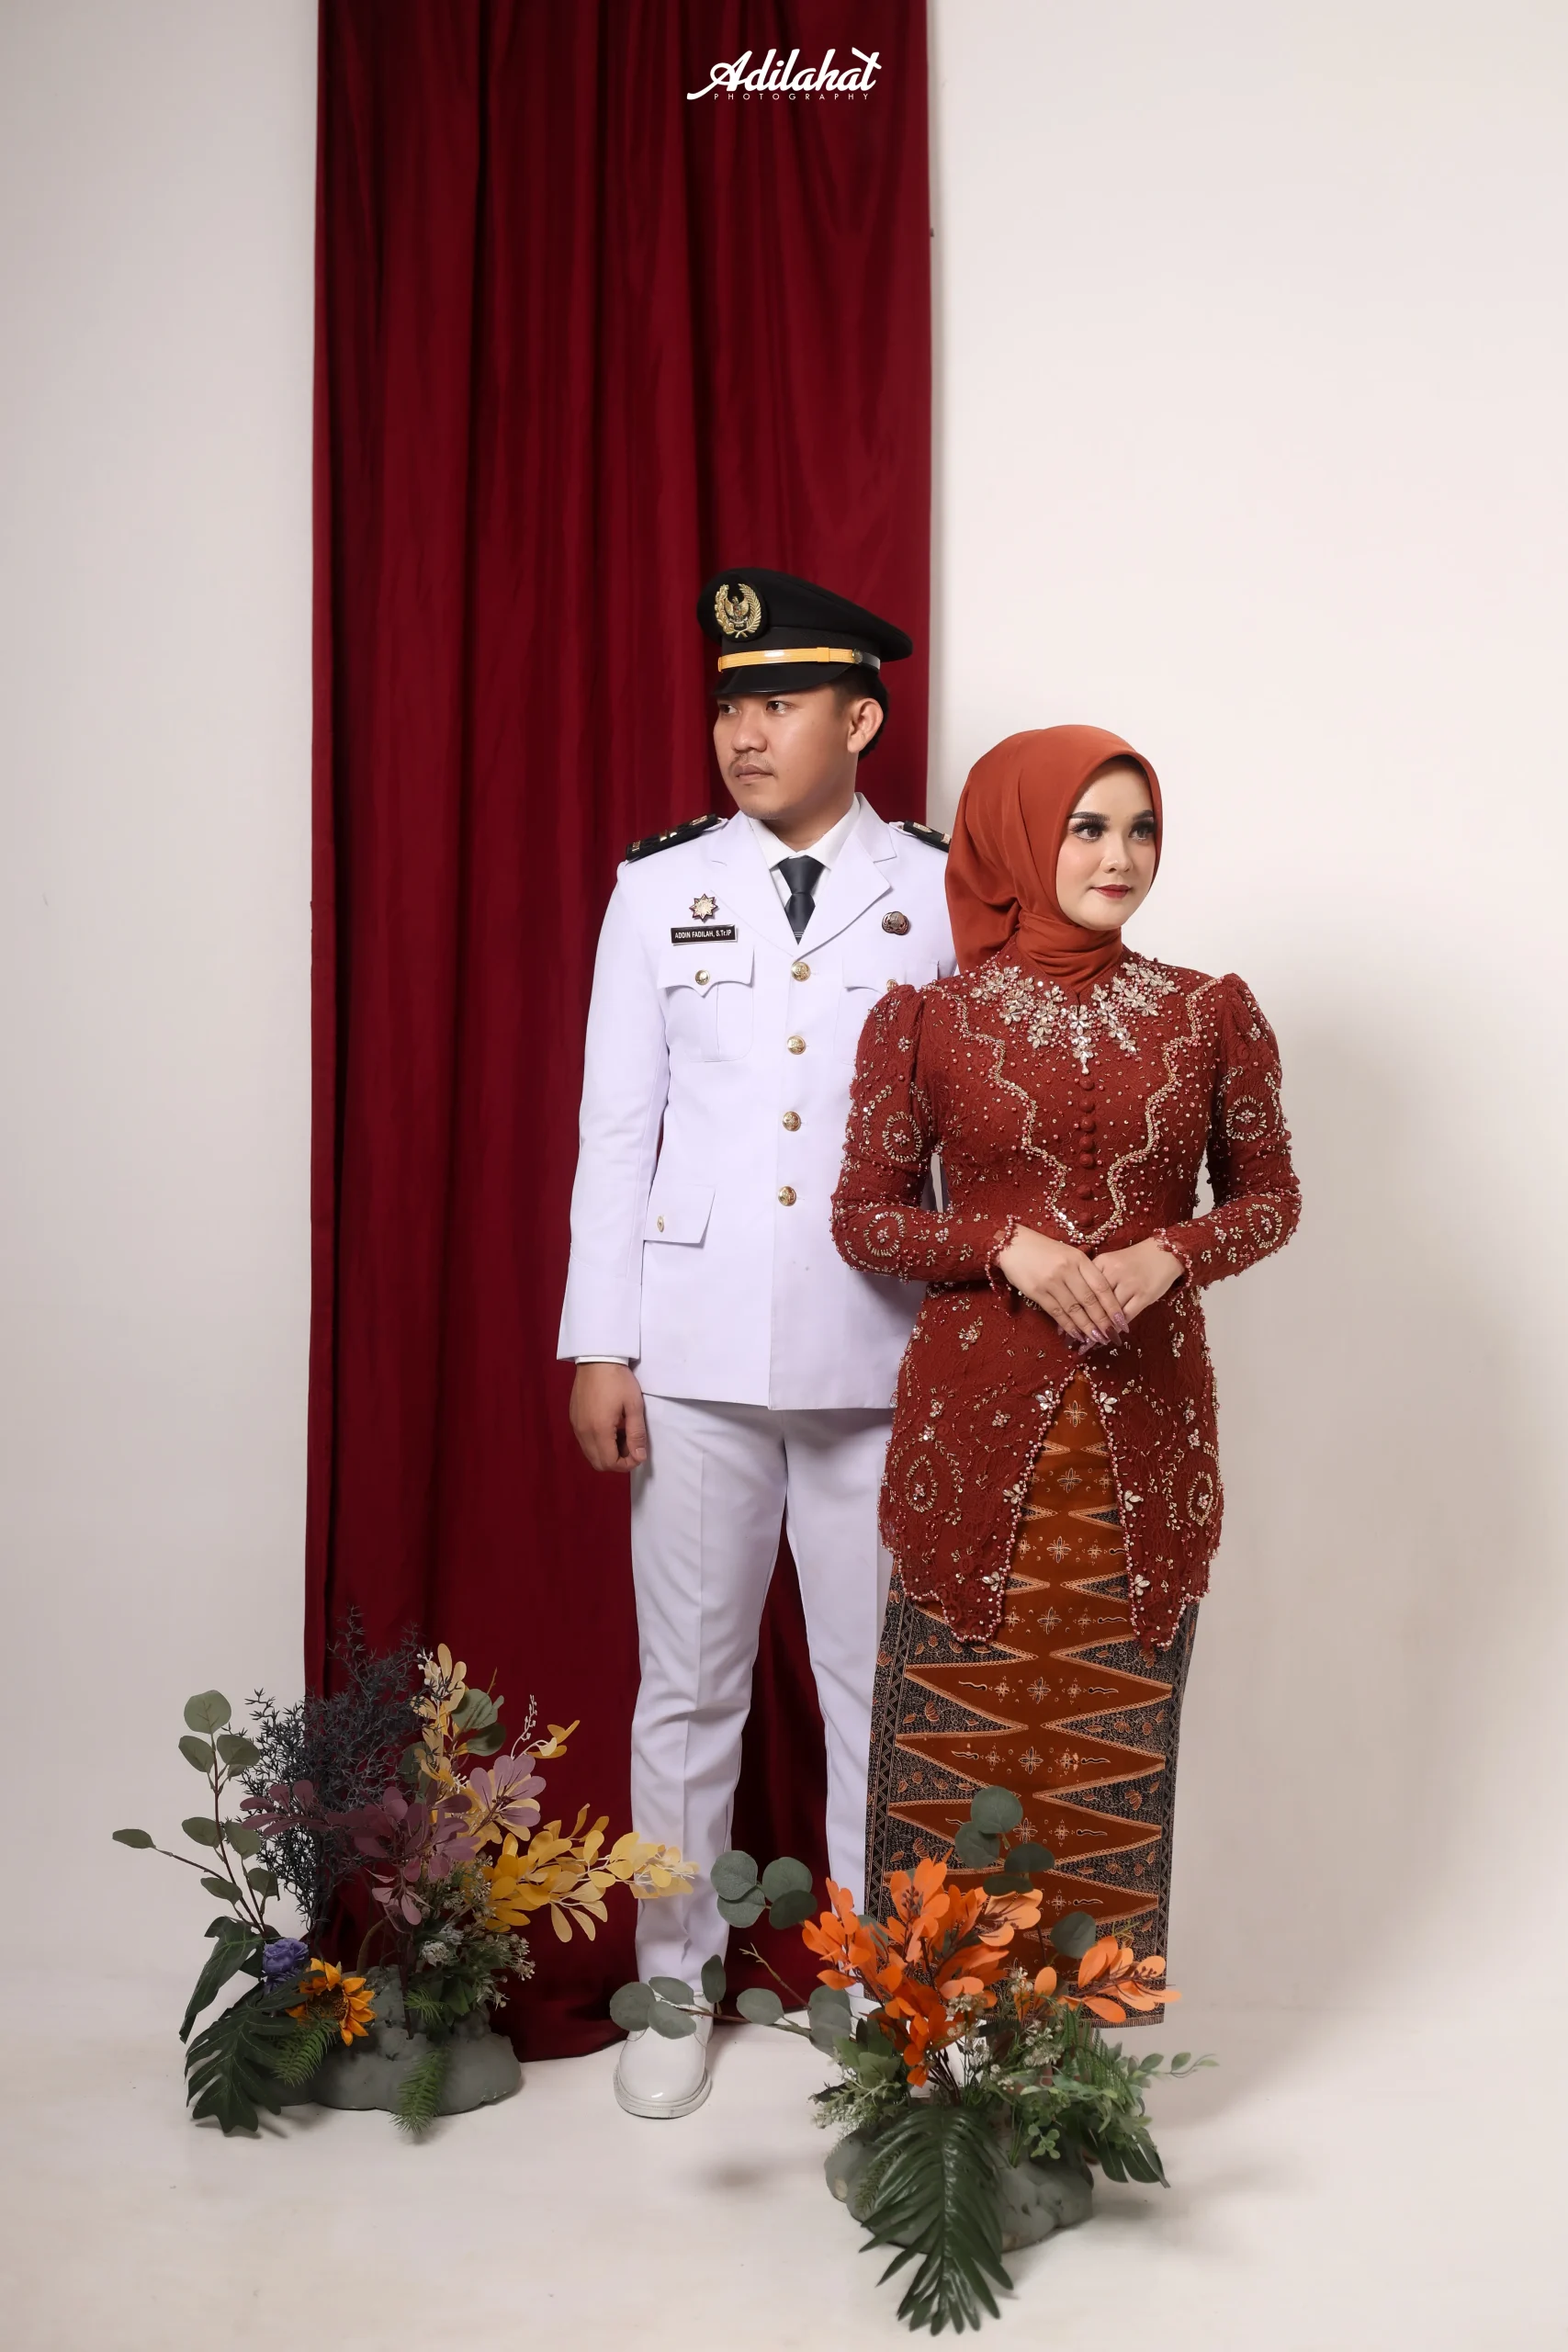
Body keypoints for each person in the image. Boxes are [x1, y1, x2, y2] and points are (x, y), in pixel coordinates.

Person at [558, 568, 956, 2117]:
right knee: (686, 1692)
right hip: (695, 1350)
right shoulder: (658, 888)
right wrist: (600, 1344)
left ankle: (871, 1986)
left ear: (859, 720)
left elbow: (968, 1136)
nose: (743, 731)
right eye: (731, 702)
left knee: (874, 1694)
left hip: (879, 1350)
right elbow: (618, 1129)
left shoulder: (939, 891)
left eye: (779, 702)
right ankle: (672, 1987)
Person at [831, 725, 1299, 1987]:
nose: (1119, 856)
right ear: (1018, 836)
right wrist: (1004, 1246)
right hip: (974, 1436)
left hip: (1141, 1436)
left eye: (1140, 829)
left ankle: (1086, 2062)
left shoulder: (1207, 1011)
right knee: (958, 1742)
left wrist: (1173, 1254)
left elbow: (1270, 1199)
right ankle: (934, 2048)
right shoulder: (924, 1020)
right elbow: (864, 1218)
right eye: (1086, 828)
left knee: (1112, 1741)